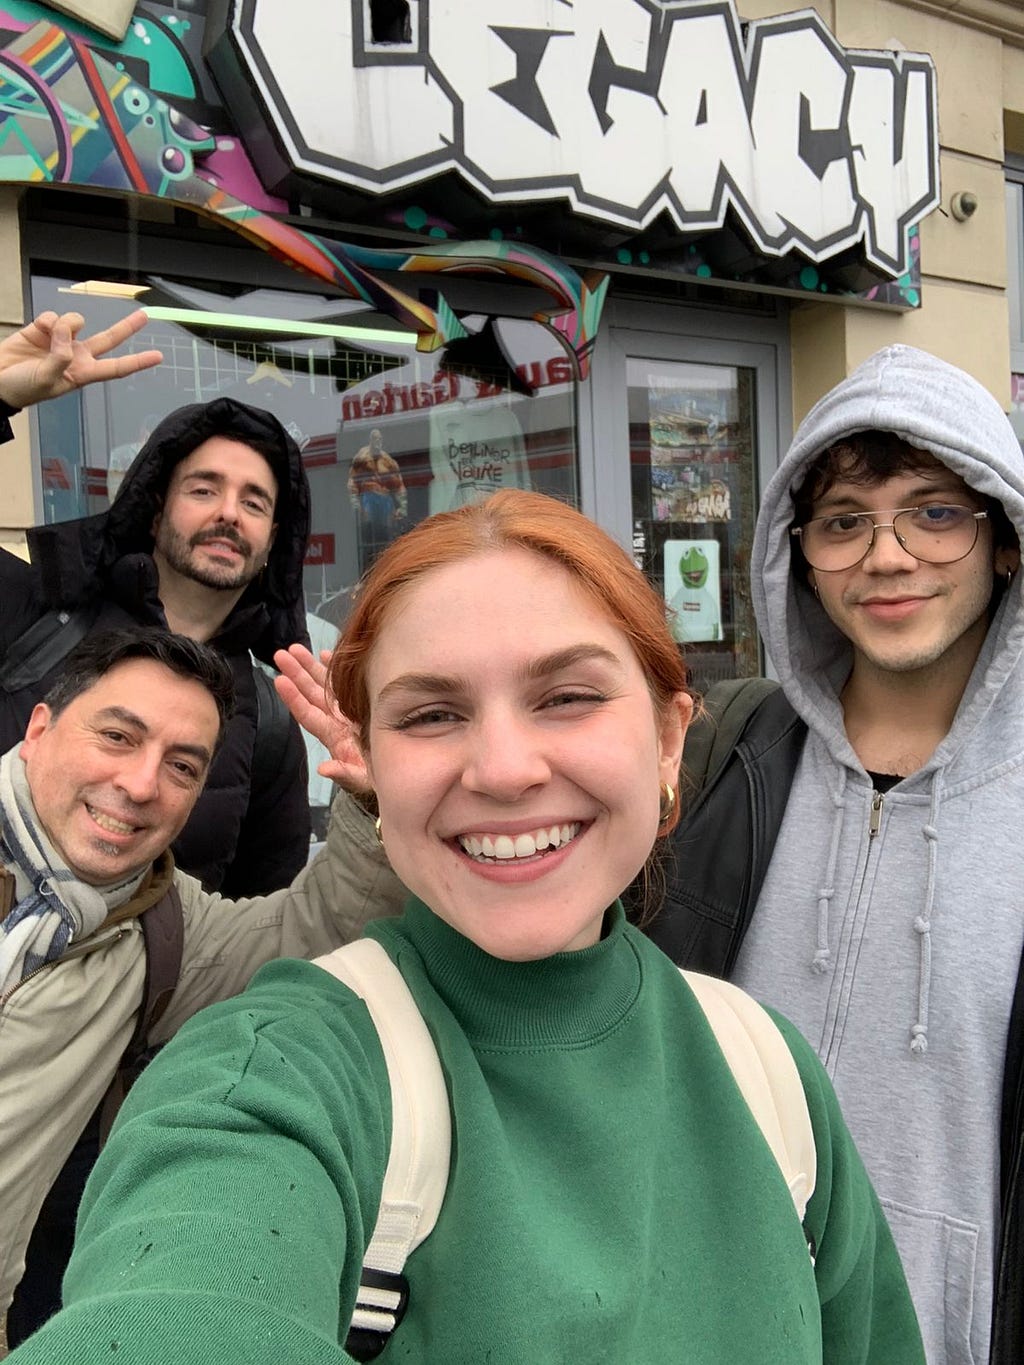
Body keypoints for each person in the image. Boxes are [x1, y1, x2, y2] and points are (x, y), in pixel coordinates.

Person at [10, 491, 924, 1363]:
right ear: (370, 763)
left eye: (567, 695)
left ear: (670, 740)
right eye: (433, 714)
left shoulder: (770, 1075)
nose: (502, 768)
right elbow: (180, 1301)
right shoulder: (270, 1075)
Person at [641, 346, 1024, 1365]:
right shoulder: (731, 753)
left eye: (934, 513)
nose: (885, 556)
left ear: (1005, 542)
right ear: (795, 552)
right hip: (720, 1323)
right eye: (844, 521)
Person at [0, 626, 390, 1340]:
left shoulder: (161, 926)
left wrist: (373, 800)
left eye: (182, 767)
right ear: (38, 729)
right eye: (118, 737)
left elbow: (319, 929)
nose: (142, 784)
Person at [0, 309, 312, 897]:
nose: (227, 513)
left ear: (273, 542)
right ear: (154, 507)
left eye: (254, 503)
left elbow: (260, 922)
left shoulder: (269, 722)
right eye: (203, 489)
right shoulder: (33, 610)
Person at [347, 426, 406, 570]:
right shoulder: (362, 457)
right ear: (370, 440)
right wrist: (355, 504)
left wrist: (402, 507)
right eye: (375, 439)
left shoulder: (388, 460)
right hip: (368, 498)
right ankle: (369, 566)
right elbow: (352, 481)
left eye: (379, 439)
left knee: (386, 539)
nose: (377, 441)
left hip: (385, 501)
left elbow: (399, 485)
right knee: (369, 538)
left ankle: (386, 565)